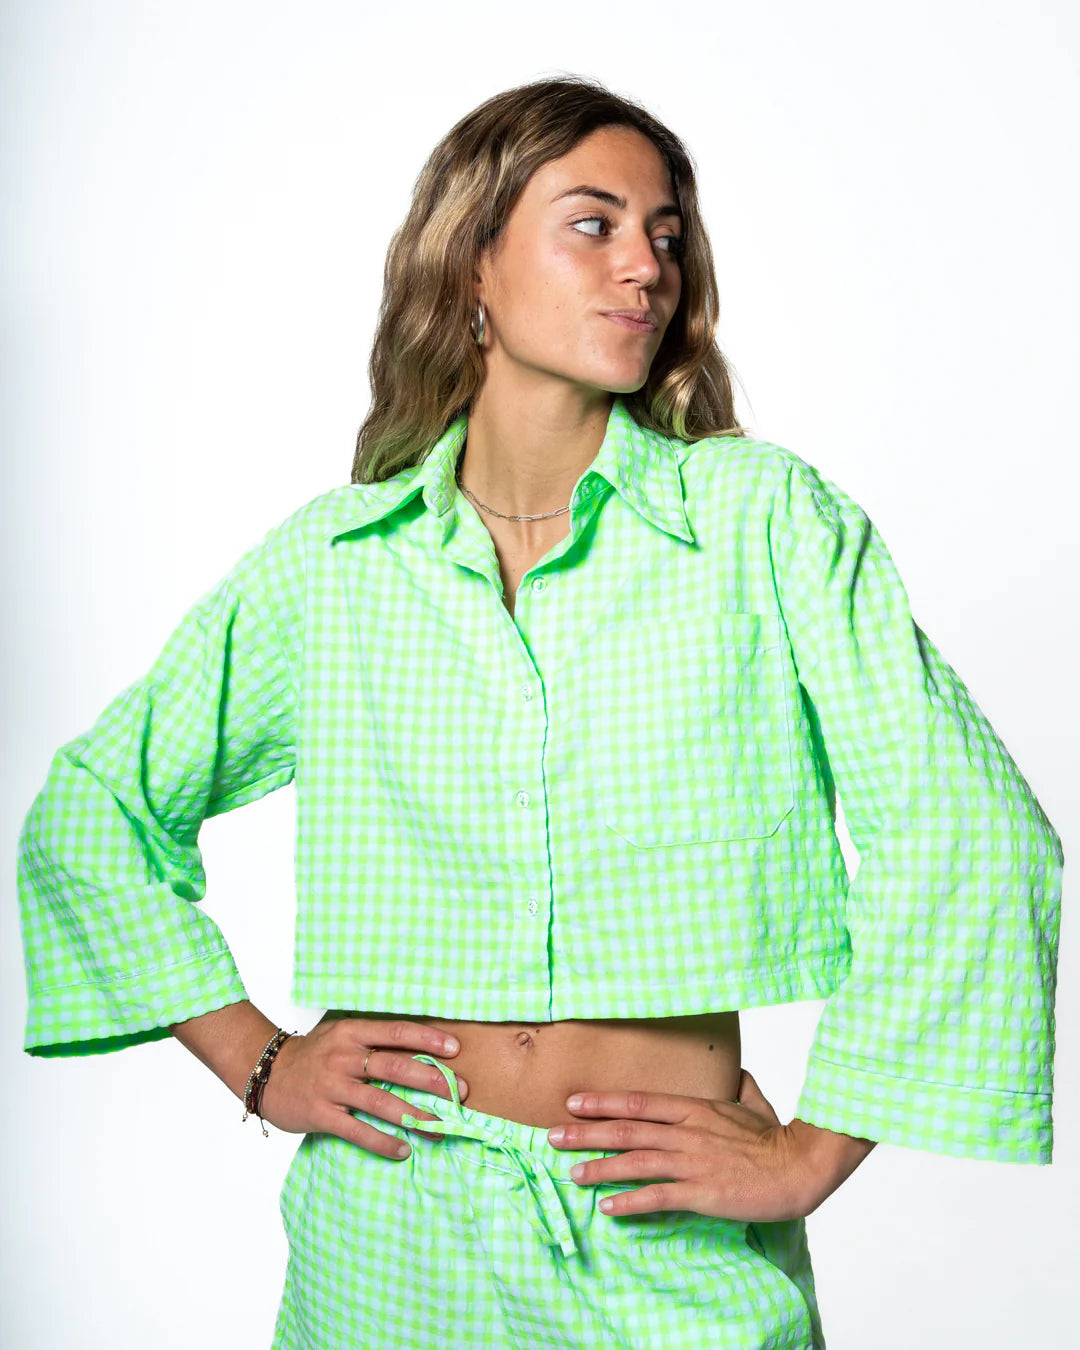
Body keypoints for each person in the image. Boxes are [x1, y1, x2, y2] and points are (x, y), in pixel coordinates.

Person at [16, 75, 1062, 1350]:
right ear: (473, 264)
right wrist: (260, 1059)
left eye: (665, 235)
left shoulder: (762, 524)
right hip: (383, 1232)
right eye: (594, 224)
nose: (645, 267)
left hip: (663, 1244)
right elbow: (94, 811)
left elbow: (974, 830)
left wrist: (811, 1153)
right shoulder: (335, 564)